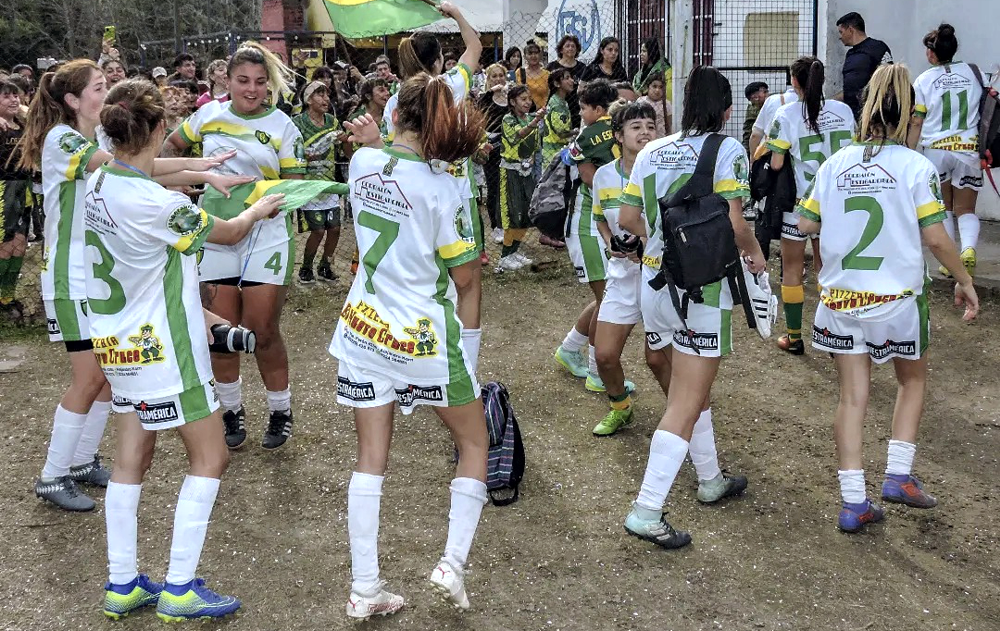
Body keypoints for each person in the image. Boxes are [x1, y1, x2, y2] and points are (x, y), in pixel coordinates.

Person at [88, 78, 285, 621]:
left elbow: (148, 171)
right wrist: (258, 210)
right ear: (156, 129)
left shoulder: (100, 183)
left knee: (133, 456)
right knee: (210, 455)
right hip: (165, 349)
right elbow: (225, 232)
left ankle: (122, 580)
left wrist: (198, 170)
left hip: (117, 345)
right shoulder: (152, 202)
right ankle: (178, 586)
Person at [17, 60, 249, 511]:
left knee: (106, 377)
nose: (107, 94)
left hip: (94, 280)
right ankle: (51, 475)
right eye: (99, 87)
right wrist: (200, 169)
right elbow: (140, 167)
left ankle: (82, 461)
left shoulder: (94, 138)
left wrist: (205, 171)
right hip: (71, 277)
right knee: (88, 379)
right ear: (72, 100)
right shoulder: (63, 139)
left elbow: (143, 168)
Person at [331, 72, 489, 620]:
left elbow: (383, 163)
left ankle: (365, 586)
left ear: (394, 114)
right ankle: (451, 562)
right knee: (474, 442)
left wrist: (375, 144)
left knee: (370, 460)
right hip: (421, 336)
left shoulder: (361, 162)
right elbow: (466, 275)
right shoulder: (444, 186)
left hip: (362, 329)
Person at [796, 63, 978, 533]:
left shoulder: (836, 163)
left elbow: (805, 224)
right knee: (911, 382)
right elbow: (937, 238)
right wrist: (964, 279)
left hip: (840, 300)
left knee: (852, 398)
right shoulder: (915, 165)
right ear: (908, 114)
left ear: (866, 107)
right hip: (896, 300)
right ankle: (898, 475)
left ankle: (854, 502)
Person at [616, 65, 763, 549]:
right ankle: (646, 509)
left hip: (655, 285)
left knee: (688, 389)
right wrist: (757, 257)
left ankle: (710, 477)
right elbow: (738, 225)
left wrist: (662, 243)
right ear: (725, 110)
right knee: (684, 401)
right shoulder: (728, 149)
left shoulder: (652, 150)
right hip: (704, 290)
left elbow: (629, 218)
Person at [165, 42, 307, 451]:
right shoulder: (207, 115)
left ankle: (280, 410)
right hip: (216, 235)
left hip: (266, 236)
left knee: (262, 331)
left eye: (260, 82)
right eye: (243, 80)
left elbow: (295, 186)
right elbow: (169, 148)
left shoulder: (283, 125)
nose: (252, 89)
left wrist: (268, 200)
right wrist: (178, 183)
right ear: (225, 80)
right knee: (221, 334)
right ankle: (231, 411)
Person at [386, 1, 485, 372]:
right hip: (455, 198)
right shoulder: (452, 85)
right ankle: (466, 369)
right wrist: (457, 14)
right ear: (440, 61)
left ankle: (415, 362)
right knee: (468, 283)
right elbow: (474, 46)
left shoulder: (397, 100)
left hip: (410, 200)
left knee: (421, 278)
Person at [767, 57, 854, 355]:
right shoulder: (843, 111)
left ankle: (793, 337)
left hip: (801, 204)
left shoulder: (787, 113)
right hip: (837, 205)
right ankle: (834, 336)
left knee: (791, 268)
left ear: (794, 81)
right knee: (827, 268)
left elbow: (777, 163)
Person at [554, 79, 623, 392]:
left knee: (605, 298)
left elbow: (587, 172)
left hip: (594, 223)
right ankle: (598, 373)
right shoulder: (613, 128)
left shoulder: (591, 133)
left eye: (583, 108)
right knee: (607, 300)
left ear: (598, 109)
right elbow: (588, 176)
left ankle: (570, 349)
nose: (580, 114)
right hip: (588, 225)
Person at [590, 100, 654, 435]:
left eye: (650, 126)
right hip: (621, 276)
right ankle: (620, 405)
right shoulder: (603, 176)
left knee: (658, 359)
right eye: (636, 127)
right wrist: (610, 244)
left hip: (658, 276)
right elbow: (600, 218)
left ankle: (687, 418)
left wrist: (646, 246)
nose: (644, 132)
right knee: (604, 356)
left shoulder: (662, 171)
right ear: (618, 135)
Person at [908, 24, 982, 278]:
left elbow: (917, 120)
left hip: (936, 151)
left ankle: (951, 264)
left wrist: (909, 149)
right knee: (966, 209)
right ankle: (969, 249)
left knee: (944, 209)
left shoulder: (924, 80)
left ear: (931, 53)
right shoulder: (974, 73)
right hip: (967, 149)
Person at [293, 81, 343, 283]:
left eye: (327, 95)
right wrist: (305, 156)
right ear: (308, 99)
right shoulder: (297, 123)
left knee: (335, 228)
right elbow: (292, 150)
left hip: (329, 182)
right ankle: (306, 268)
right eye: (319, 94)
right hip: (307, 184)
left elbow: (341, 147)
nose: (326, 99)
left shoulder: (333, 122)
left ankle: (325, 265)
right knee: (318, 230)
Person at [497, 85, 544, 271]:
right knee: (512, 214)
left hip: (527, 171)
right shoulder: (508, 119)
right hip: (511, 172)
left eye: (529, 98)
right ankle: (505, 256)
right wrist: (535, 122)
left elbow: (536, 144)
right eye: (523, 99)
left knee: (525, 214)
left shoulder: (531, 118)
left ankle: (514, 250)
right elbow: (518, 135)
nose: (527, 102)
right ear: (512, 102)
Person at [0, 79, 30, 320]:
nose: (13, 100)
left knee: (19, 243)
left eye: (15, 95)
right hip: (4, 188)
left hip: (24, 187)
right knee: (4, 245)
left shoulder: (22, 124)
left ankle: (7, 297)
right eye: (6, 96)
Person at [836, 12, 893, 120]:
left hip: (873, 115)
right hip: (852, 115)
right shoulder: (850, 54)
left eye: (841, 32)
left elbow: (888, 80)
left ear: (850, 30)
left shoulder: (878, 48)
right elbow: (851, 89)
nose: (840, 37)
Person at [478, 63, 509, 243]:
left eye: (501, 75)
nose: (498, 79)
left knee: (508, 187)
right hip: (491, 145)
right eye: (494, 76)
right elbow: (478, 109)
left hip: (509, 145)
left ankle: (508, 224)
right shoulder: (485, 98)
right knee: (494, 187)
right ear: (488, 80)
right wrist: (491, 92)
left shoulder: (509, 97)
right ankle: (496, 225)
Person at [748, 75, 797, 159]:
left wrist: (752, 158)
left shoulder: (771, 101)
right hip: (797, 150)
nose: (757, 100)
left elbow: (755, 135)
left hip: (773, 153)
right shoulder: (808, 102)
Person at [546, 35, 586, 128]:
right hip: (558, 105)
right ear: (561, 50)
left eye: (573, 46)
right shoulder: (552, 67)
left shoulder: (582, 68)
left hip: (576, 107)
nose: (571, 48)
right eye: (567, 46)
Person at [541, 68, 575, 171]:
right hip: (554, 155)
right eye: (567, 78)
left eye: (571, 77)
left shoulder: (560, 101)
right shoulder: (558, 105)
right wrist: (577, 132)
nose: (572, 81)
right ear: (557, 83)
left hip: (554, 153)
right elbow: (561, 133)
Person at [632, 37, 672, 102]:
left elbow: (669, 94)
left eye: (644, 51)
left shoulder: (665, 70)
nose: (641, 54)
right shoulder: (641, 72)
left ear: (652, 52)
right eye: (641, 51)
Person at [515, 41, 550, 112]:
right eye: (530, 53)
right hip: (524, 114)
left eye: (536, 53)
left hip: (542, 113)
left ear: (540, 55)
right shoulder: (519, 72)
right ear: (524, 57)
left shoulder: (547, 74)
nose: (533, 56)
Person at [636, 73, 671, 138]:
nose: (657, 90)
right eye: (654, 86)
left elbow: (669, 124)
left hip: (661, 138)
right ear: (648, 87)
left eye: (661, 87)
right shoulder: (641, 102)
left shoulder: (666, 104)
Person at [742, 81, 768, 150]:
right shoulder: (753, 110)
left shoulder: (771, 103)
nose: (767, 95)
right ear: (755, 97)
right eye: (764, 92)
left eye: (766, 92)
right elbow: (748, 133)